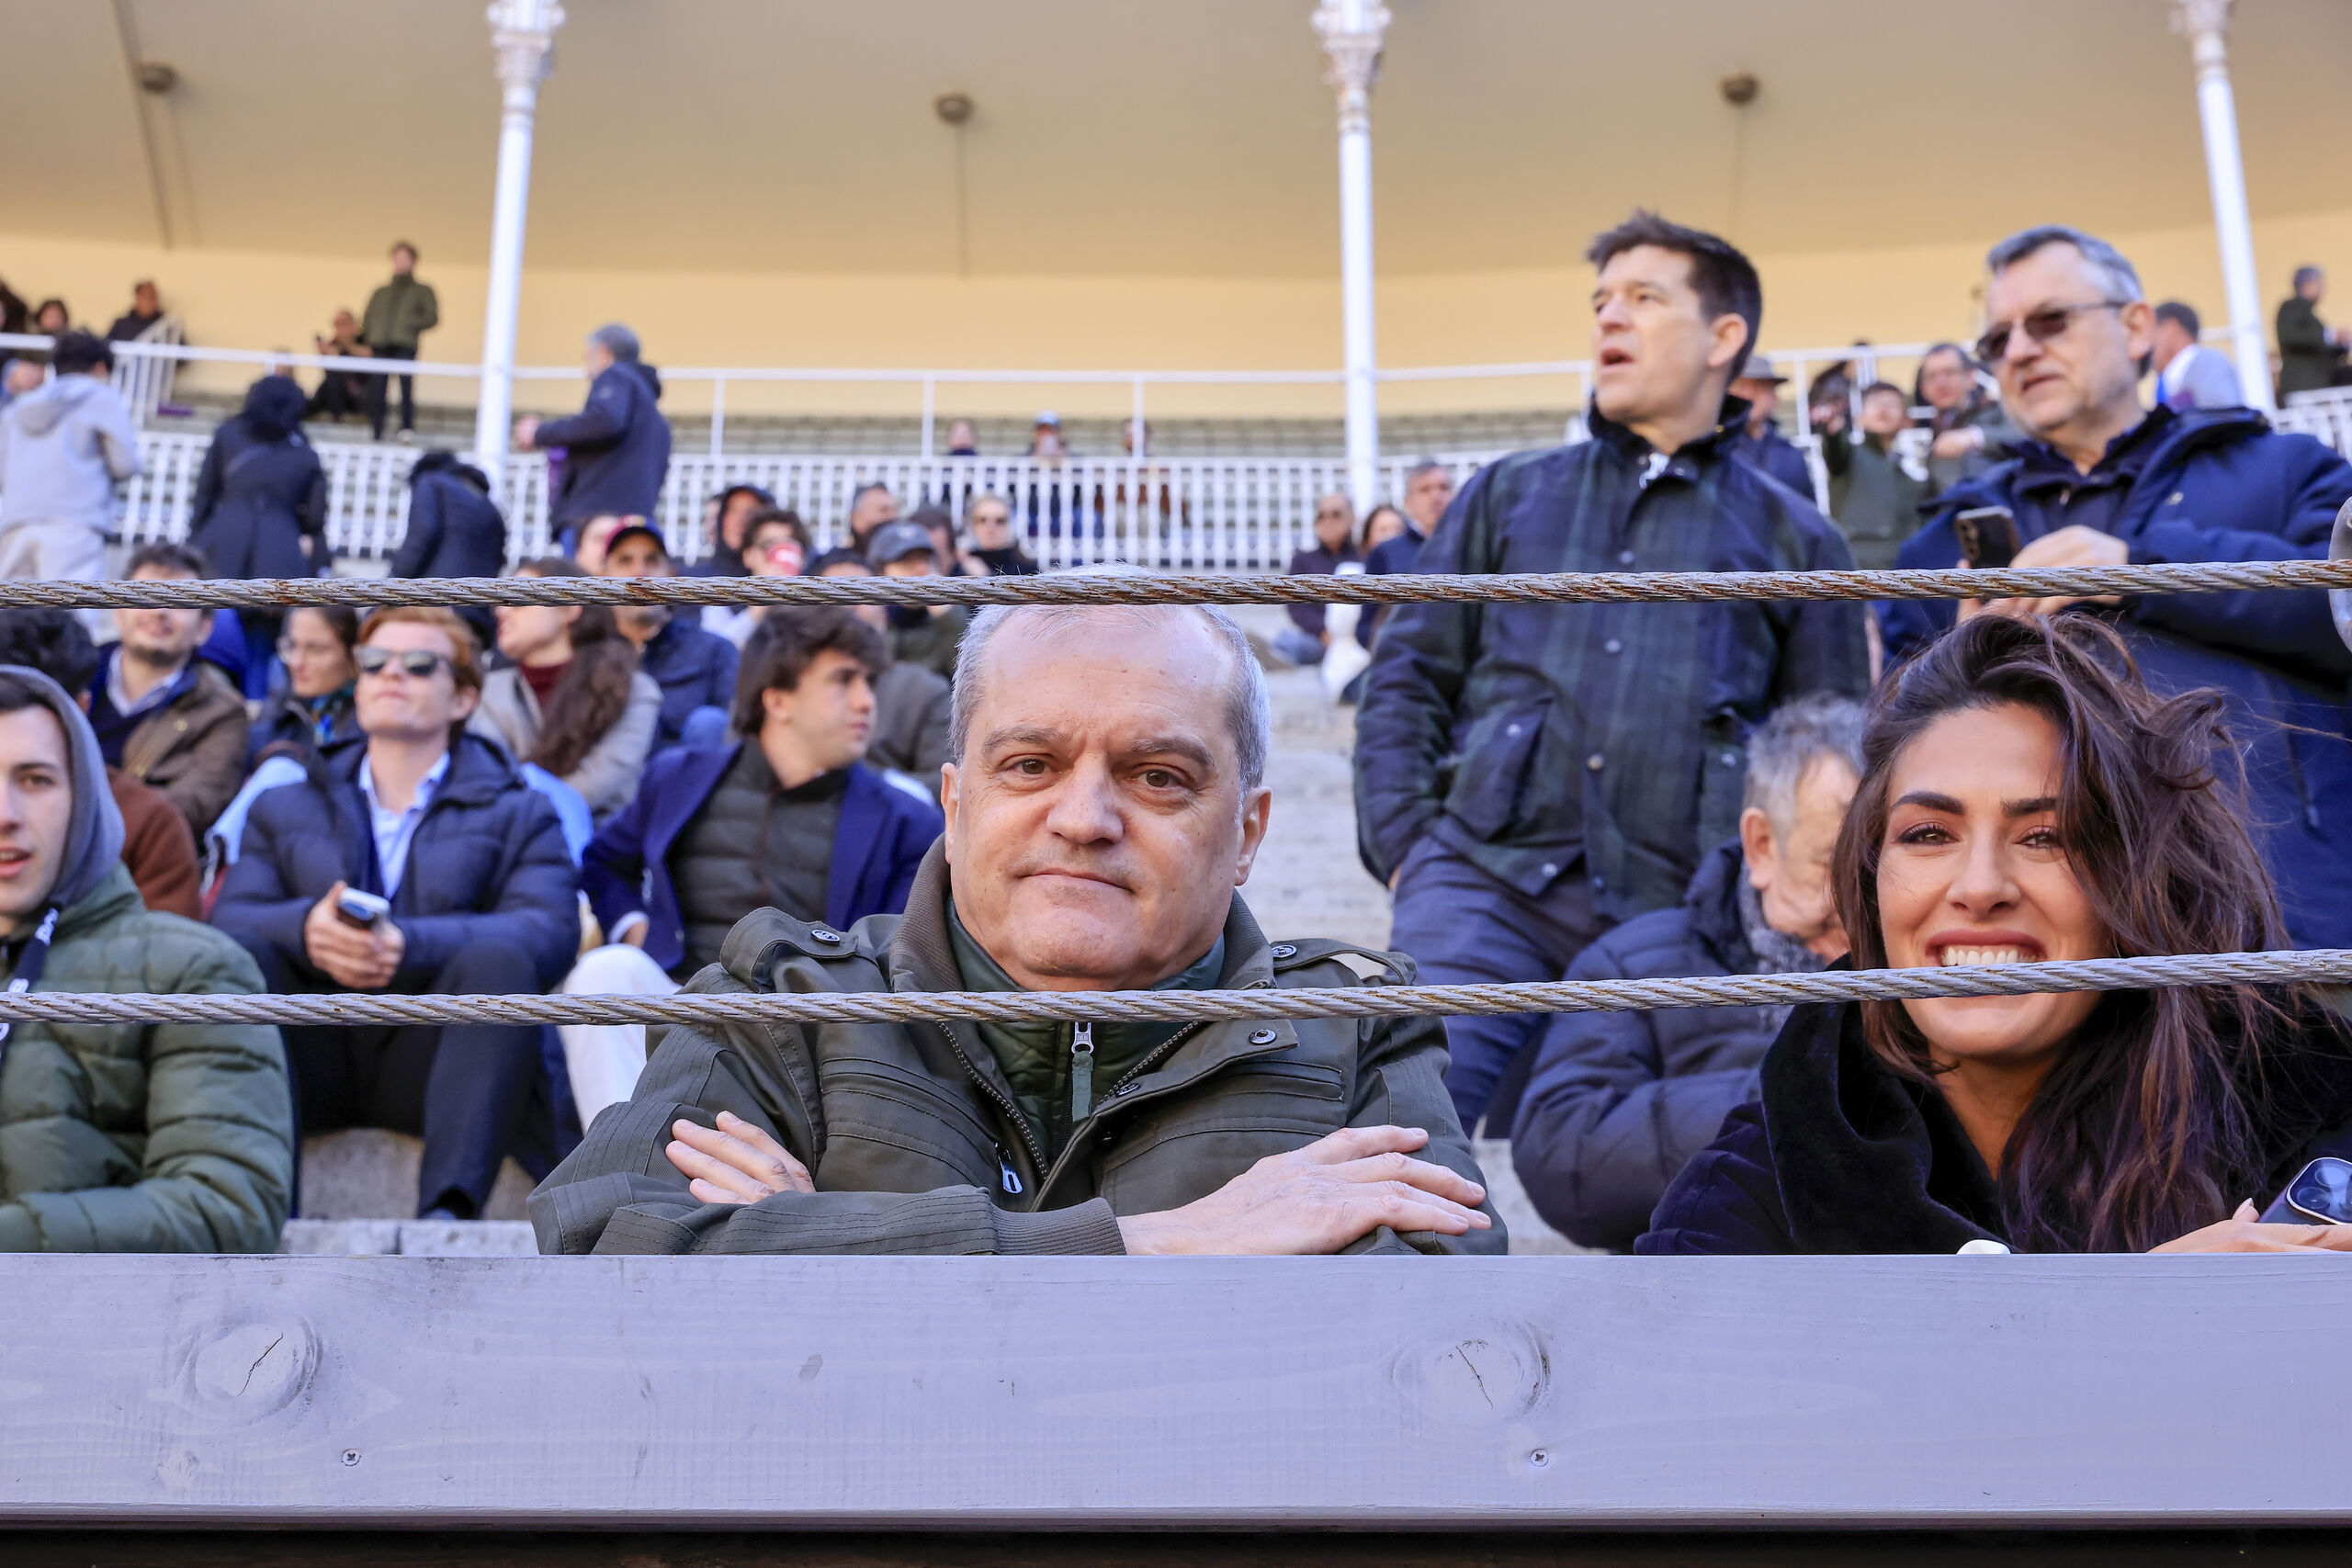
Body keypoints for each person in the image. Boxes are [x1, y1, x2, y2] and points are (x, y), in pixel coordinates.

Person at [530, 600, 1500, 1258]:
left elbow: (1437, 1335)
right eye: (1031, 765)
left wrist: (826, 1241)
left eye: (1158, 776)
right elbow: (608, 1249)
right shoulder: (782, 1005)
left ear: (1246, 832)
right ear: (955, 806)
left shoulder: (1356, 1027)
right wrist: (1164, 1242)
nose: (1084, 818)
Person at [1355, 210, 1869, 1132]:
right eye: (1600, 301)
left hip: (1684, 920)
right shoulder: (1508, 492)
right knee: (1394, 1147)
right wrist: (1405, 850)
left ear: (1723, 337)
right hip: (1481, 884)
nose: (1609, 318)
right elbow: (1408, 676)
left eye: (1643, 297)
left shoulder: (1800, 539)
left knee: (1680, 1179)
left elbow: (1826, 749)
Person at [1642, 615, 2352, 1256]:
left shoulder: (2312, 1112)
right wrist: (2145, 1320)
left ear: (2135, 877)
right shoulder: (1753, 1189)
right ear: (1871, 877)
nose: (1980, 886)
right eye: (1928, 834)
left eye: (2046, 836)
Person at [1883, 224, 2352, 950]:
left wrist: (2144, 567)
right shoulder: (1941, 546)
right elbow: (1891, 751)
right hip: (2058, 953)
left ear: (2136, 327)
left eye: (2049, 320)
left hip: (2287, 927)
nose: (2019, 350)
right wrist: (1961, 663)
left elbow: (2340, 610)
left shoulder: (2286, 469)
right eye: (1997, 339)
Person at [211, 608, 579, 1221]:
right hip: (309, 1049)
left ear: (463, 698)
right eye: (375, 661)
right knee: (241, 958)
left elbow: (548, 931)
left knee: (500, 961)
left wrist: (408, 943)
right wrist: (306, 929)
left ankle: (446, 1219)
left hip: (441, 1061)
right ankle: (260, 1215)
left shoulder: (522, 809)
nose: (392, 675)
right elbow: (229, 920)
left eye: (419, 664)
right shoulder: (282, 801)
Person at [558, 608, 944, 1124]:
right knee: (604, 972)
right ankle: (619, 1155)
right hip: (678, 992)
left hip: (807, 1030)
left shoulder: (907, 820)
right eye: (843, 681)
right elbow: (605, 861)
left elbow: (899, 951)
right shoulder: (678, 777)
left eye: (868, 683)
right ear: (778, 699)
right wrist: (633, 926)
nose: (866, 701)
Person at [1511, 695, 1864, 1251]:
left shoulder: (1921, 955)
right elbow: (1561, 1156)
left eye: (1876, 862)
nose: (1858, 896)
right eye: (1832, 864)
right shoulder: (1632, 966)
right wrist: (1795, 1092)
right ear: (1762, 845)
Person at [0, 664, 292, 1250]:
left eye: (35, 780)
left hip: (92, 1310)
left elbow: (228, 1209)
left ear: (86, 798)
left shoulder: (191, 970)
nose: (5, 813)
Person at [0, 608, 204, 921]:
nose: (6, 815)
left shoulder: (148, 823)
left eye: (35, 780)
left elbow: (167, 942)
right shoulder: (152, 819)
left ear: (80, 709)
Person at [471, 558, 662, 822]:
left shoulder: (635, 689)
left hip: (602, 839)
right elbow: (491, 778)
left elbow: (604, 777)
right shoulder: (487, 692)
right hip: (510, 834)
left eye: (517, 598)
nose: (501, 611)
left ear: (569, 608)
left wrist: (535, 817)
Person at [84, 544, 250, 843]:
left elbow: (195, 805)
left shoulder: (222, 712)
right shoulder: (70, 676)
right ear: (119, 611)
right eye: (145, 596)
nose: (159, 611)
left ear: (204, 628)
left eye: (178, 602)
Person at [187, 374, 328, 696]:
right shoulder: (304, 450)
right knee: (260, 652)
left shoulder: (227, 435)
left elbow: (205, 495)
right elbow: (315, 517)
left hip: (221, 547)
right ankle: (255, 715)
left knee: (211, 645)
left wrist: (195, 544)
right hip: (279, 556)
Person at [0, 331, 139, 590]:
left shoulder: (18, 407)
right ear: (100, 367)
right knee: (72, 607)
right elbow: (125, 464)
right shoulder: (102, 398)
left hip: (15, 522)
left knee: (11, 609)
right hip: (75, 523)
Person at [809, 547, 952, 795]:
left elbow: (949, 783)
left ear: (884, 614)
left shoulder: (923, 691)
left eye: (862, 593)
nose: (850, 605)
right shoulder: (786, 686)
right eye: (836, 594)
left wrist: (869, 787)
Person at [515, 325, 673, 536]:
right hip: (635, 519)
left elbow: (604, 421)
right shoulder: (650, 410)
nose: (586, 366)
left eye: (587, 356)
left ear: (603, 351)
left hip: (596, 522)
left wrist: (540, 433)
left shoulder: (615, 375)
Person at [597, 524, 739, 750]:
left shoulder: (714, 651)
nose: (640, 572)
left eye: (651, 560)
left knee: (710, 722)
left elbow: (735, 735)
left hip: (691, 770)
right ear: (602, 578)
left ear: (671, 575)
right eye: (625, 561)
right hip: (608, 770)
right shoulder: (585, 656)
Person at [388, 450, 508, 651]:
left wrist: (391, 584)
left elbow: (422, 533)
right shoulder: (490, 505)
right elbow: (499, 559)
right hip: (477, 612)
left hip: (435, 605)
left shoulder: (430, 481)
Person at [1819, 381, 1925, 570]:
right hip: (1856, 567)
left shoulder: (1911, 468)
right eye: (1875, 402)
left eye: (1892, 404)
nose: (1883, 409)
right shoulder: (1849, 456)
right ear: (1859, 418)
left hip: (1902, 570)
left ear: (1907, 420)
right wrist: (1833, 429)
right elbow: (1834, 449)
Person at [252, 605, 363, 763]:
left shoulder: (371, 724)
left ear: (352, 655)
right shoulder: (278, 713)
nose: (296, 662)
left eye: (316, 649)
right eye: (292, 646)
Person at [1914, 342, 2021, 502]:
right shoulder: (1936, 434)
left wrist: (1975, 437)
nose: (1940, 382)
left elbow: (2031, 439)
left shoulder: (2001, 410)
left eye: (1949, 372)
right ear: (1924, 389)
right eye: (1931, 376)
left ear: (1971, 377)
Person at [867, 520, 968, 683]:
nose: (922, 569)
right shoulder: (868, 620)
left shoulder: (948, 617)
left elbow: (968, 679)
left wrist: (949, 618)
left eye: (925, 560)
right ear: (880, 572)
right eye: (906, 562)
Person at [358, 241, 437, 442]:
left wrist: (409, 324)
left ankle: (406, 428)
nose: (401, 262)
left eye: (405, 258)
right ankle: (376, 429)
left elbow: (431, 317)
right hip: (380, 345)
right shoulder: (381, 292)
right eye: (397, 258)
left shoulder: (422, 290)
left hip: (405, 345)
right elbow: (368, 318)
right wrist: (370, 338)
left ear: (413, 261)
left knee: (406, 388)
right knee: (377, 389)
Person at [1274, 491, 1362, 667]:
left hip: (1354, 636)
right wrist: (1323, 631)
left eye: (1336, 515)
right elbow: (1296, 606)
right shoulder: (1303, 560)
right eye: (1322, 516)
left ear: (1352, 518)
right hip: (1317, 638)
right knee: (1292, 642)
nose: (1327, 521)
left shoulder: (1363, 558)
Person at [706, 507, 810, 648]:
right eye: (768, 545)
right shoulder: (722, 602)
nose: (778, 555)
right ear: (748, 555)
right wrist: (761, 603)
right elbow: (717, 652)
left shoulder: (816, 607)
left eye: (787, 546)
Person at [1725, 354, 1815, 497]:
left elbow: (1806, 506)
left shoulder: (1790, 455)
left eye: (1758, 387)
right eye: (1741, 386)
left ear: (1774, 399)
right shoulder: (1715, 449)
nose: (1748, 395)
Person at [2150, 300, 2245, 412]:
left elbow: (2226, 415)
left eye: (2151, 331)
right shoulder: (2165, 381)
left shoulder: (2209, 363)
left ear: (2172, 327)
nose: (2146, 343)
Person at [2275, 265, 2346, 399]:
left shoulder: (2306, 311)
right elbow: (2292, 337)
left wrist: (2342, 345)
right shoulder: (2291, 307)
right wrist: (2330, 336)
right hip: (2303, 388)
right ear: (2308, 284)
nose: (2323, 288)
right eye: (2319, 283)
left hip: (2316, 386)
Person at [686, 483, 778, 579]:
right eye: (733, 510)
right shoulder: (691, 580)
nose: (740, 520)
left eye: (751, 512)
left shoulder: (783, 578)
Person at [302, 308, 375, 425]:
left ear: (354, 325)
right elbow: (328, 374)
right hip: (336, 395)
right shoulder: (333, 344)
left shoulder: (364, 339)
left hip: (359, 395)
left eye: (344, 324)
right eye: (337, 324)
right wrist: (327, 355)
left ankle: (336, 417)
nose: (340, 328)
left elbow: (367, 354)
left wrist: (345, 345)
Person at [964, 492, 1038, 576]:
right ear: (972, 525)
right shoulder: (960, 565)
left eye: (999, 521)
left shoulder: (1027, 570)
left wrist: (985, 575)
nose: (990, 528)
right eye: (982, 520)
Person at [844, 481, 901, 554]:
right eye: (883, 510)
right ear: (856, 519)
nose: (893, 517)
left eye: (895, 510)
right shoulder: (839, 559)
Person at [105, 280, 165, 344]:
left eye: (153, 296)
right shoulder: (121, 325)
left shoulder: (165, 325)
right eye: (146, 296)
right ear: (137, 298)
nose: (150, 301)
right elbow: (107, 345)